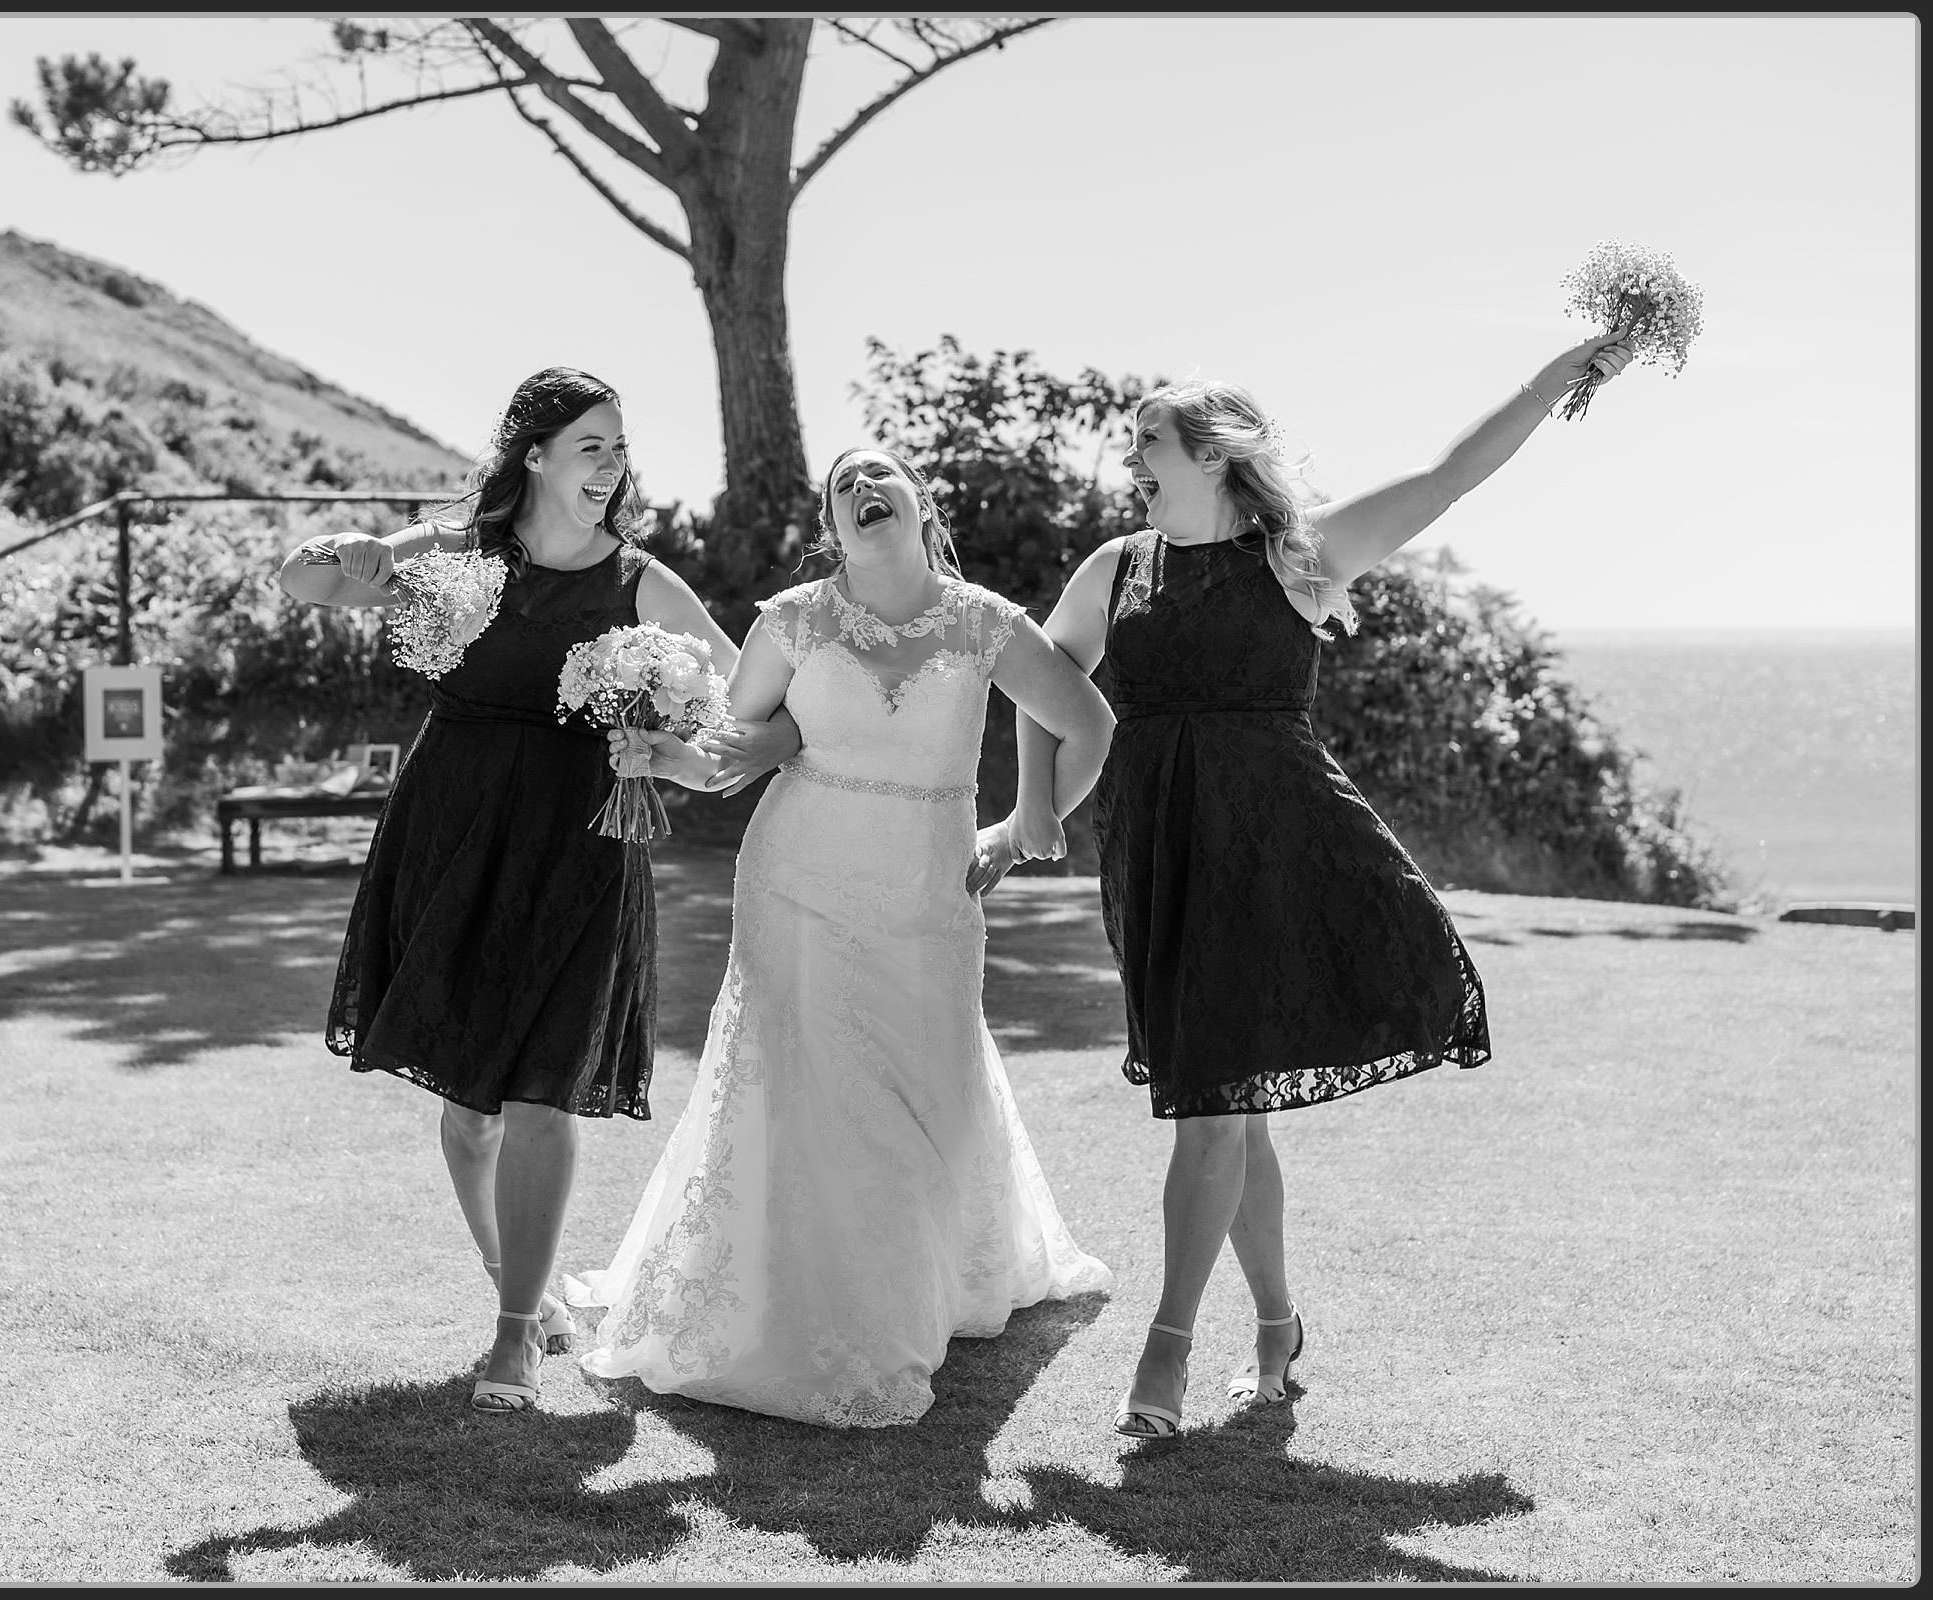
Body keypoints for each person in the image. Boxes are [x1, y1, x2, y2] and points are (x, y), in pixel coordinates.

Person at [1007, 329, 1637, 1442]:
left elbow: (1446, 478)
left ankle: (1166, 1355)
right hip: (1157, 855)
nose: (1130, 464)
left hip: (1282, 857)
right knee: (1229, 1105)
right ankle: (1277, 1328)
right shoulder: (1115, 569)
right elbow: (1034, 677)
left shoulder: (1296, 559)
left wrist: (1555, 378)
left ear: (1213, 455)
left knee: (1209, 1109)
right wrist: (1033, 808)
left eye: (1148, 443)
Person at [276, 366, 800, 1414]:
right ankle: (516, 1278)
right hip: (452, 830)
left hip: (579, 845)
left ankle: (515, 1336)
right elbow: (303, 581)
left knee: (539, 1090)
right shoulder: (461, 547)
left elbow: (761, 707)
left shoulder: (643, 583)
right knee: (470, 1110)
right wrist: (352, 551)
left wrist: (674, 748)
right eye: (591, 445)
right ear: (536, 455)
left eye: (619, 446)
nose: (611, 465)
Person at [564, 444, 1117, 1427]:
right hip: (798, 882)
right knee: (812, 1092)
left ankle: (927, 1277)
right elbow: (729, 755)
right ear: (834, 524)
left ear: (920, 503)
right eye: (843, 485)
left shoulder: (986, 622)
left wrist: (1022, 824)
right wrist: (657, 753)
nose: (865, 490)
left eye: (882, 476)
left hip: (929, 896)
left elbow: (1089, 725)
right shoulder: (790, 621)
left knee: (922, 1093)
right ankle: (829, 1305)